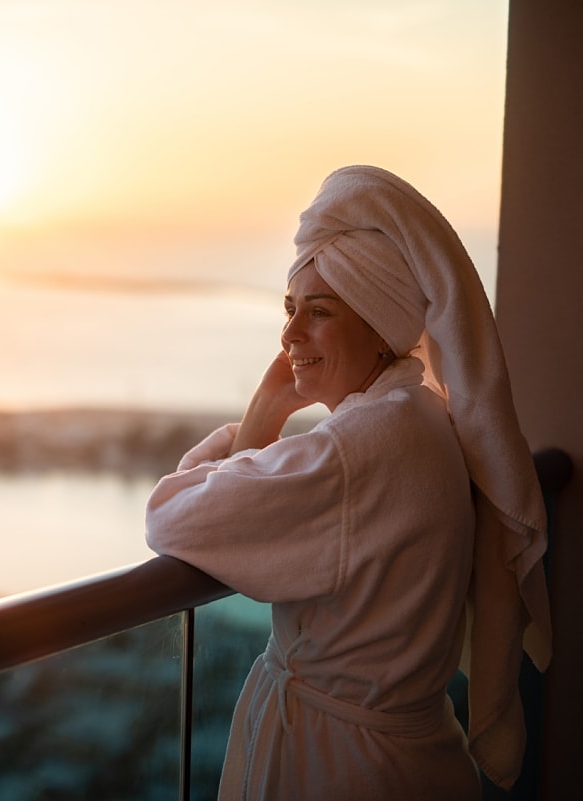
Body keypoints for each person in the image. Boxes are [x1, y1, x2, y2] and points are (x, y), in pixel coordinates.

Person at [144, 166, 552, 800]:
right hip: (412, 757)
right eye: (289, 310)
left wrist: (262, 415)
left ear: (381, 327)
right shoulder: (424, 417)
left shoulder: (356, 450)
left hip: (338, 769)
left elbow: (170, 516)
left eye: (320, 312)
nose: (289, 335)